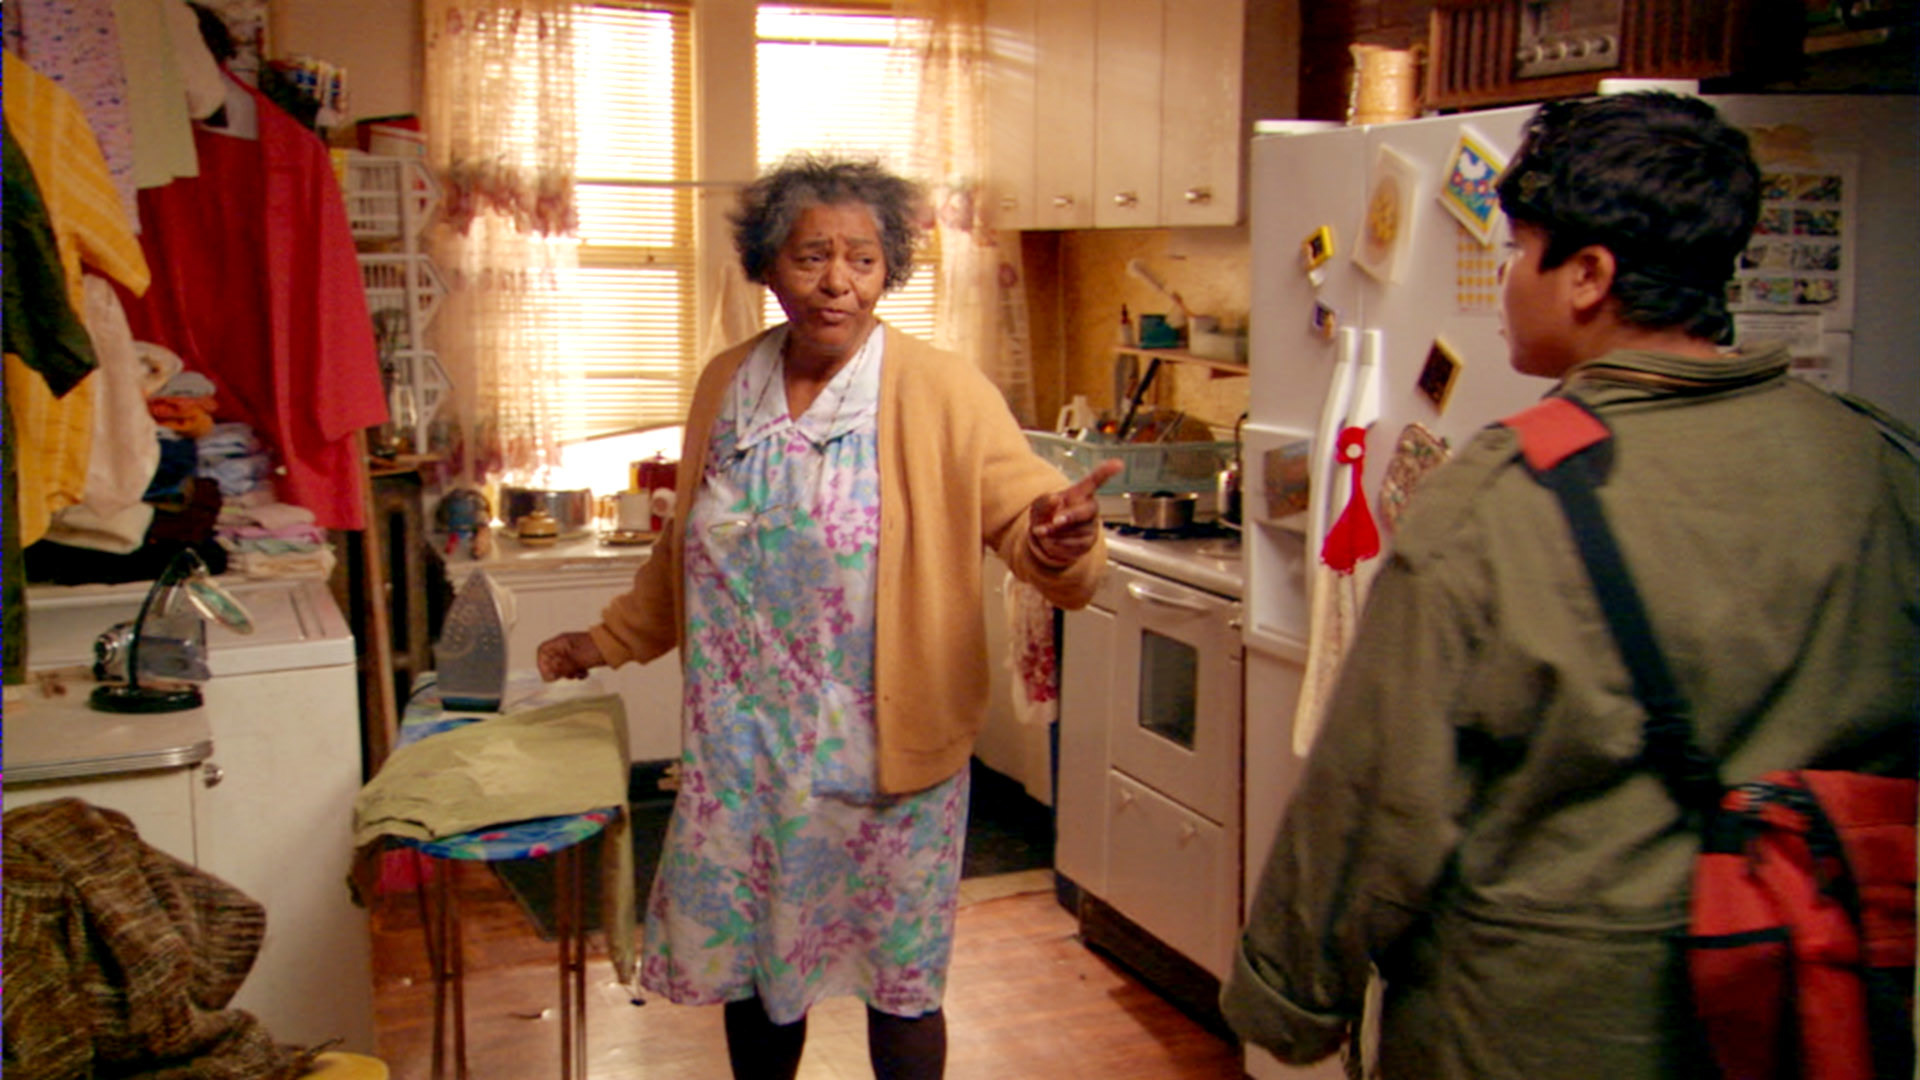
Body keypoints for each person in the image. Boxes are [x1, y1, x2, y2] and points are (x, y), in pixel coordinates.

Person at [1221, 92, 1917, 1078]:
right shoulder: (1880, 457)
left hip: (1539, 1022)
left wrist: (1289, 995)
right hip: (1802, 1003)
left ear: (1587, 276)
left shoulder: (1504, 492)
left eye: (1519, 249)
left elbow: (1374, 797)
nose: (1504, 278)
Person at [537, 153, 1119, 1080]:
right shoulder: (727, 385)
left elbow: (1026, 518)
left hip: (887, 759)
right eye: (811, 257)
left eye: (863, 259)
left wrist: (1058, 539)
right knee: (757, 976)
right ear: (768, 266)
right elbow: (688, 543)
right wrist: (604, 641)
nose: (837, 283)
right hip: (743, 755)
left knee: (901, 982)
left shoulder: (942, 390)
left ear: (892, 271)